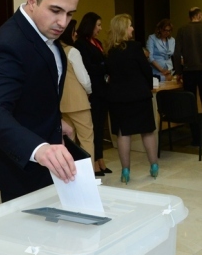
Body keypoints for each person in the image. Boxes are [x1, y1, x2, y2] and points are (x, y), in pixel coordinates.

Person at [0, 0, 79, 202]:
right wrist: (39, 148)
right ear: (32, 1)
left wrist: (55, 121)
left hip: (51, 164)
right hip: (21, 168)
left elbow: (36, 92)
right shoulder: (8, 43)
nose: (63, 22)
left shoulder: (50, 37)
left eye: (70, 14)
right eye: (55, 11)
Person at [105, 14, 159, 183]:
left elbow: (108, 74)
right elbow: (146, 69)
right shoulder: (135, 47)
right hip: (139, 96)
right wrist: (149, 85)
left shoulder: (109, 51)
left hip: (118, 98)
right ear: (123, 29)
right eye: (130, 26)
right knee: (147, 131)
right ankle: (154, 166)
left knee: (123, 133)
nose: (133, 29)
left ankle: (125, 171)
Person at [173, 7, 202, 145]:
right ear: (199, 15)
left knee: (191, 105)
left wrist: (178, 72)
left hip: (188, 71)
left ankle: (196, 138)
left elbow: (176, 54)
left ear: (190, 17)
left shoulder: (182, 30)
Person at [74, 12, 111, 176]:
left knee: (101, 125)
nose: (100, 29)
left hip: (102, 89)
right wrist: (104, 66)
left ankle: (101, 159)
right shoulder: (81, 44)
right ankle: (94, 161)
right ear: (90, 26)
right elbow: (89, 67)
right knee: (94, 126)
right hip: (93, 91)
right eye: (98, 25)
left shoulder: (96, 42)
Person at [58, 19, 95, 159]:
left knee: (69, 141)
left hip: (62, 102)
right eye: (74, 32)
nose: (76, 34)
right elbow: (84, 79)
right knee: (87, 140)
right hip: (79, 102)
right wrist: (89, 91)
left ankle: (71, 176)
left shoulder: (55, 51)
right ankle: (88, 177)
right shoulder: (72, 51)